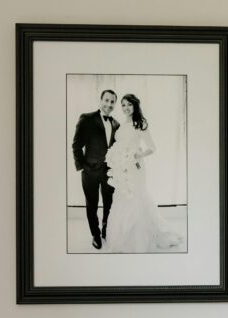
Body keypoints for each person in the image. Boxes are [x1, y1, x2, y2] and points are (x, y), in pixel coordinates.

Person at [103, 94, 180, 253]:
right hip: (121, 168)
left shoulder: (140, 123)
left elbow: (152, 147)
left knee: (135, 197)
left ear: (135, 106)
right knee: (121, 197)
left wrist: (137, 156)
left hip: (135, 167)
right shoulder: (122, 124)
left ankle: (137, 239)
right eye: (123, 105)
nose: (125, 108)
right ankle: (121, 237)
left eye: (129, 105)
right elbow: (118, 145)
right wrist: (116, 160)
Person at [72, 89, 120, 250]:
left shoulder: (116, 124)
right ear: (100, 100)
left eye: (112, 102)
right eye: (106, 100)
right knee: (91, 205)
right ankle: (96, 235)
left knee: (109, 204)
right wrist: (82, 167)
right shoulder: (86, 119)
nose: (109, 104)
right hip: (90, 172)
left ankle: (107, 230)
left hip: (109, 173)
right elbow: (76, 145)